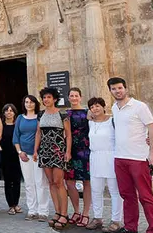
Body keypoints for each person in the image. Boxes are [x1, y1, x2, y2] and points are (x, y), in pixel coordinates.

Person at [108, 77, 153, 233]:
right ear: (110, 91)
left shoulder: (139, 106)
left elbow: (152, 128)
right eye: (114, 89)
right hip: (120, 158)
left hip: (138, 158)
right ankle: (130, 228)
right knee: (127, 195)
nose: (117, 91)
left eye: (120, 88)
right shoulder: (114, 108)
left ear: (126, 88)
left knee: (146, 196)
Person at [34, 87, 71, 230]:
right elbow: (38, 133)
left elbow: (68, 134)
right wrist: (35, 150)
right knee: (50, 183)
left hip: (58, 151)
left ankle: (64, 214)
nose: (46, 100)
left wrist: (68, 152)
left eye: (49, 97)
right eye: (44, 97)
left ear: (55, 99)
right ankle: (57, 211)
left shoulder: (62, 114)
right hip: (45, 151)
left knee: (59, 182)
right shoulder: (41, 114)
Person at [86, 97, 123, 232]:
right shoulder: (90, 123)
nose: (95, 109)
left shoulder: (112, 120)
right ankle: (97, 218)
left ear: (103, 106)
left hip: (111, 157)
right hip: (95, 157)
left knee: (114, 191)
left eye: (97, 106)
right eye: (92, 107)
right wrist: (88, 114)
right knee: (96, 190)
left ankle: (116, 220)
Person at [14, 94, 51, 222]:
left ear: (36, 104)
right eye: (26, 102)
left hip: (38, 154)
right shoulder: (20, 118)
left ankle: (43, 211)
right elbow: (16, 136)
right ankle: (32, 210)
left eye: (31, 102)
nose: (29, 104)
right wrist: (20, 152)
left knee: (41, 182)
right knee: (29, 183)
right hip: (24, 155)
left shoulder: (40, 117)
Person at [66, 87, 92, 227]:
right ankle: (76, 212)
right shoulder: (65, 114)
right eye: (72, 96)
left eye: (76, 95)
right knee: (70, 182)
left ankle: (86, 213)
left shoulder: (88, 113)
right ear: (68, 98)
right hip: (70, 150)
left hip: (85, 150)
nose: (74, 98)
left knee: (87, 182)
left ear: (80, 97)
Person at [0, 103, 22, 216]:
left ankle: (16, 203)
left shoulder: (18, 125)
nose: (9, 112)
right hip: (5, 156)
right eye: (7, 110)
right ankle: (11, 205)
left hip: (17, 155)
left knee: (17, 181)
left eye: (11, 110)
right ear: (3, 113)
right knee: (8, 181)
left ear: (14, 113)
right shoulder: (1, 125)